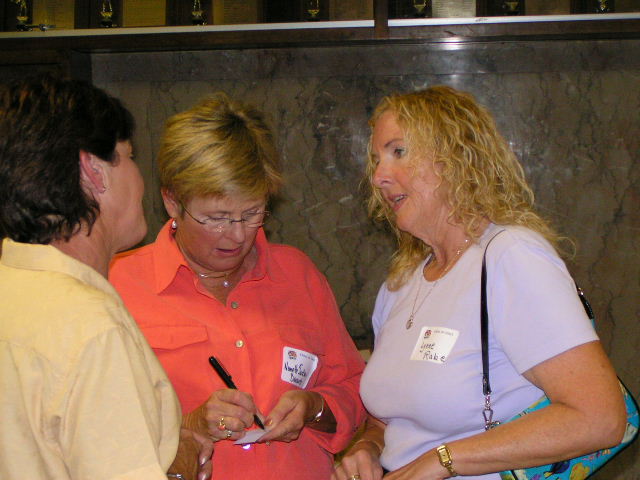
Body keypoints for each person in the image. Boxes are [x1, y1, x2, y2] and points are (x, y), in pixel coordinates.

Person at [332, 85, 627, 480]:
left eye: (398, 152)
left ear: (453, 157)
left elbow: (599, 418)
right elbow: (394, 418)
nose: (380, 176)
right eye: (376, 160)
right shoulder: (400, 284)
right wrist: (368, 446)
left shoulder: (511, 257)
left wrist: (442, 460)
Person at [109, 92, 366, 480]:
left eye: (252, 214)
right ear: (172, 203)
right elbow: (98, 430)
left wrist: (314, 407)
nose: (236, 235)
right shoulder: (121, 283)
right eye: (216, 217)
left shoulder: (297, 274)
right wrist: (190, 425)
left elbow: (353, 386)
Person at [0, 74, 212, 480]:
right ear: (93, 170)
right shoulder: (91, 327)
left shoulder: (12, 287)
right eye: (129, 156)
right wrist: (179, 459)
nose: (138, 177)